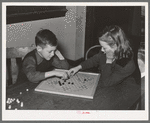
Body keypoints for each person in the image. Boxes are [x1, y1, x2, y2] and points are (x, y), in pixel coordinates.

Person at [68, 25, 137, 87]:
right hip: (107, 83)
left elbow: (107, 83)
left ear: (115, 46)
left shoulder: (127, 64)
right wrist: (78, 67)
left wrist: (109, 61)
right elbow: (94, 60)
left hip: (123, 89)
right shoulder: (106, 52)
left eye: (104, 48)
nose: (102, 50)